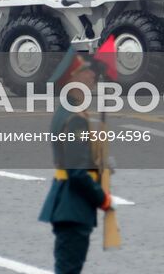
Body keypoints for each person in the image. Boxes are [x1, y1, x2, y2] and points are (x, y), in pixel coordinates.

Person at [39, 50, 113, 274]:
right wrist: (103, 199)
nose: (92, 75)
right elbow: (77, 172)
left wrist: (99, 162)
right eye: (85, 71)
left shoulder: (67, 112)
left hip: (66, 202)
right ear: (72, 79)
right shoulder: (75, 120)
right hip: (73, 205)